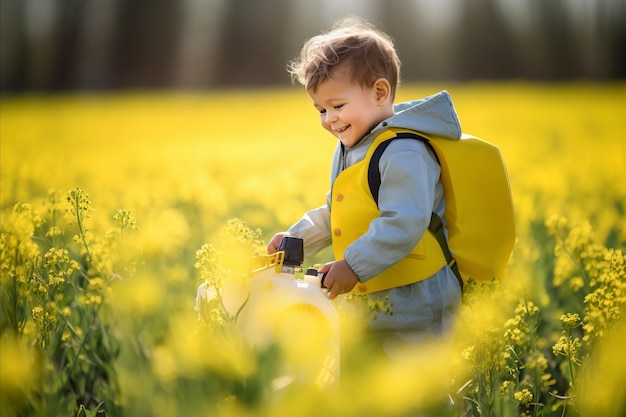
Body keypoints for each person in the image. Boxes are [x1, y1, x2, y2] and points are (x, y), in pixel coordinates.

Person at [267, 17, 462, 360]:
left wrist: (352, 265)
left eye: (338, 106)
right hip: (374, 295)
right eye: (321, 109)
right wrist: (294, 242)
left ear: (380, 92)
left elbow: (404, 222)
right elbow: (336, 212)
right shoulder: (351, 147)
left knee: (418, 390)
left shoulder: (403, 150)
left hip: (417, 297)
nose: (329, 119)